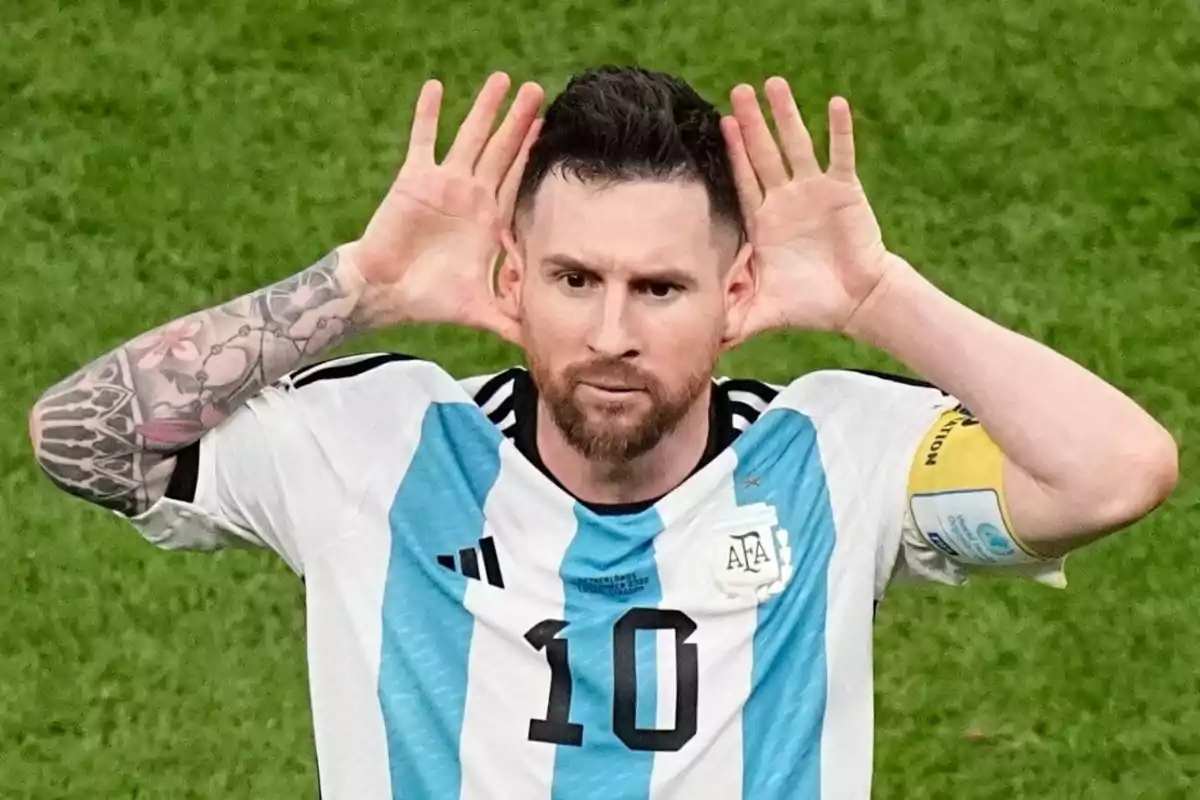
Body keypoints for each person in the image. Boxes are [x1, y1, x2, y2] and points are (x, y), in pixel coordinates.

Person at [28, 66, 1178, 799]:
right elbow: (81, 437)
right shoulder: (376, 447)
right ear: (514, 277)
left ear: (735, 295)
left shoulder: (836, 456)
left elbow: (1114, 471)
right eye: (575, 278)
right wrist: (358, 285)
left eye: (661, 288)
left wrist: (879, 298)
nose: (613, 330)